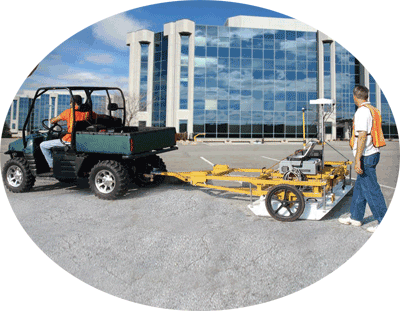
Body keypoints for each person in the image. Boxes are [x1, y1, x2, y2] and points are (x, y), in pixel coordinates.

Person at [339, 85, 387, 233]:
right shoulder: (373, 110)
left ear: (355, 97)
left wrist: (357, 159)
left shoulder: (361, 112)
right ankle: (356, 217)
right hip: (373, 152)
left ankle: (383, 220)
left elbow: (361, 136)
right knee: (360, 188)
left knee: (372, 190)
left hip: (366, 156)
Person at [40, 95, 105, 170]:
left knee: (43, 145)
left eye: (70, 102)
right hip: (82, 139)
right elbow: (99, 116)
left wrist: (51, 120)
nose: (70, 104)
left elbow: (53, 121)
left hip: (69, 140)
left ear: (74, 103)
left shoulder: (68, 112)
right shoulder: (88, 113)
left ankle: (52, 166)